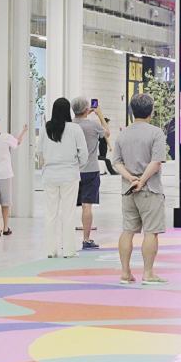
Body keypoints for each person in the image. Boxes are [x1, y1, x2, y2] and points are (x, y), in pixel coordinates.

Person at [113, 92, 169, 285]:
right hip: (150, 189)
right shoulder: (156, 133)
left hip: (128, 191)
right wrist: (142, 180)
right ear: (151, 112)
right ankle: (148, 273)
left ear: (132, 111)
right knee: (150, 232)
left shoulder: (123, 133)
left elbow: (117, 162)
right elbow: (156, 162)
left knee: (127, 231)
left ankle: (125, 273)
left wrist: (131, 179)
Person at [39, 98, 87, 258]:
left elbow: (40, 153)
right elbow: (84, 154)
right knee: (68, 213)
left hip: (50, 176)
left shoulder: (46, 129)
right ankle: (69, 250)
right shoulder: (75, 129)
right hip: (70, 174)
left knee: (50, 214)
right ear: (69, 111)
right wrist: (76, 164)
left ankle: (50, 251)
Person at [71, 96, 110, 250]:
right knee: (87, 206)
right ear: (88, 110)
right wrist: (99, 115)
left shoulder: (69, 126)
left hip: (73, 170)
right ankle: (86, 239)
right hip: (91, 170)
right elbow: (106, 134)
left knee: (68, 206)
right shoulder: (94, 125)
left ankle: (66, 238)